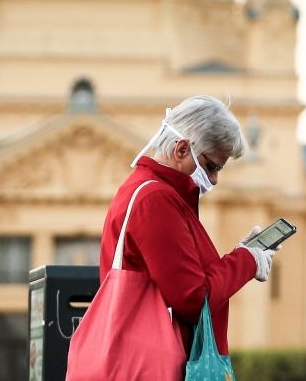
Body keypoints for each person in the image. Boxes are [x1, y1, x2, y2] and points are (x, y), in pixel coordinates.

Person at [98, 95, 275, 358]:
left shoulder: (151, 190)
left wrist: (240, 255)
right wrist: (244, 262)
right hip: (152, 363)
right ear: (181, 149)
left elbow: (186, 282)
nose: (214, 180)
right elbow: (193, 299)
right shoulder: (156, 199)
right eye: (212, 166)